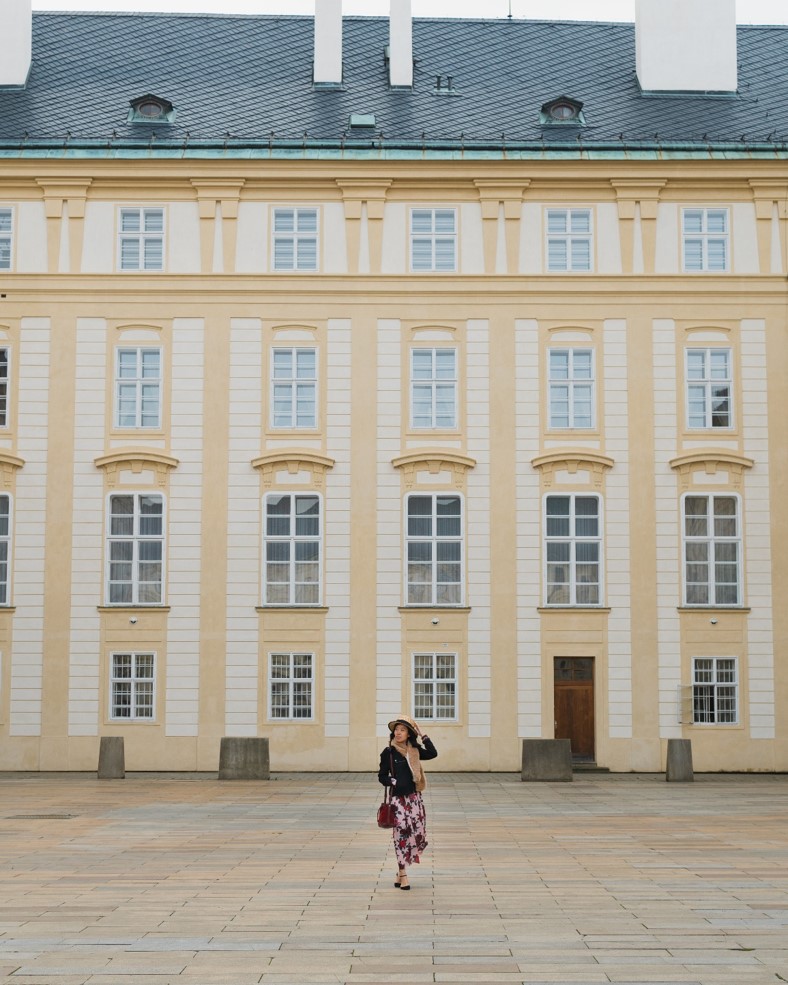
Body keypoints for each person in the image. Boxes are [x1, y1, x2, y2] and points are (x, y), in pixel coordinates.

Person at [378, 715, 438, 890]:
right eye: (396, 729)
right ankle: (403, 873)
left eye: (402, 730)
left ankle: (399, 872)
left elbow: (433, 753)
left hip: (414, 800)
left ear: (409, 733)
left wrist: (422, 734)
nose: (398, 732)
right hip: (398, 801)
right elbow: (382, 776)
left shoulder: (415, 750)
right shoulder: (388, 752)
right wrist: (392, 781)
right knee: (401, 836)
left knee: (417, 834)